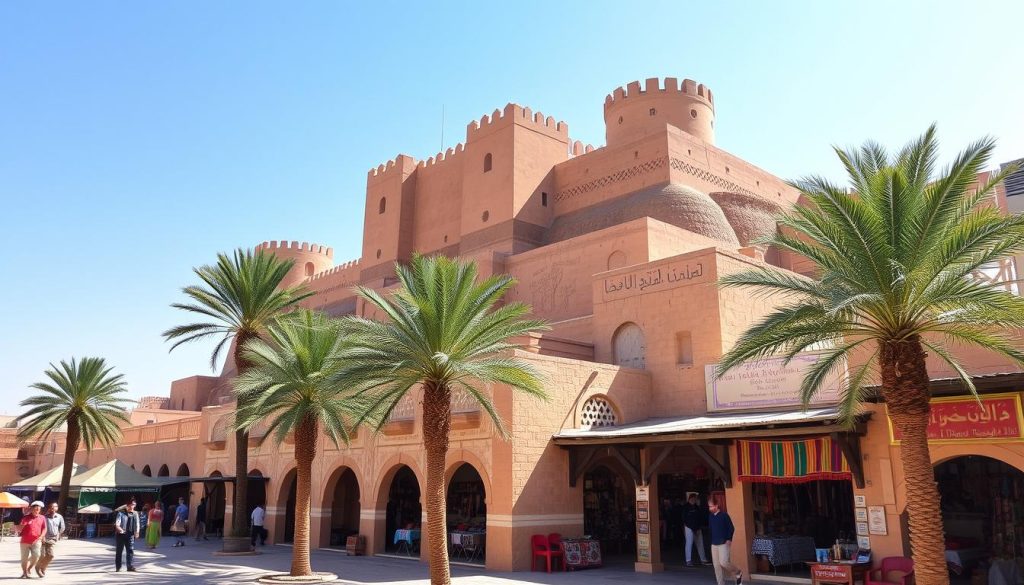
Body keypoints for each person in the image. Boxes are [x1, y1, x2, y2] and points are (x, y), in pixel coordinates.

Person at [708, 497, 742, 585]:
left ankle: (738, 572)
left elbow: (731, 528)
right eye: (709, 506)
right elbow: (711, 529)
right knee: (716, 566)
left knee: (724, 562)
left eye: (711, 506)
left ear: (716, 505)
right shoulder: (710, 517)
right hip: (714, 543)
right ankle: (720, 583)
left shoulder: (724, 515)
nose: (710, 508)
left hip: (723, 543)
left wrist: (729, 539)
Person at [35, 501, 65, 577]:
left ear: (57, 508)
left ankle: (42, 567)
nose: (53, 508)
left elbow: (62, 527)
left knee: (50, 555)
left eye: (55, 507)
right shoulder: (44, 517)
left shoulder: (59, 517)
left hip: (52, 539)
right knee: (42, 555)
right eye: (51, 507)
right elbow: (41, 528)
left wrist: (58, 534)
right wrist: (42, 537)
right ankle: (38, 568)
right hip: (43, 538)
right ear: (49, 508)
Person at [19, 501, 46, 579]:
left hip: (36, 541)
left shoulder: (42, 518)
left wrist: (41, 536)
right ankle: (25, 573)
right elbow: (20, 527)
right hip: (25, 541)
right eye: (35, 508)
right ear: (32, 509)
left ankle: (29, 568)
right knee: (24, 558)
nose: (37, 510)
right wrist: (21, 524)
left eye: (38, 508)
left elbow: (44, 528)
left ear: (40, 509)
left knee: (36, 556)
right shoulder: (26, 517)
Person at [683, 494, 710, 566]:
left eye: (695, 499)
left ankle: (703, 560)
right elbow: (684, 519)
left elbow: (700, 517)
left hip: (697, 528)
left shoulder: (697, 507)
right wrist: (690, 527)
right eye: (692, 499)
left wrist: (699, 527)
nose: (694, 500)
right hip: (689, 528)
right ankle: (688, 560)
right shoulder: (685, 507)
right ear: (689, 499)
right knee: (689, 543)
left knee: (700, 544)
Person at [114, 499, 140, 572]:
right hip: (120, 535)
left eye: (134, 505)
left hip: (130, 535)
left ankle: (129, 566)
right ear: (128, 505)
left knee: (130, 550)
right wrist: (119, 529)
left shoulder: (135, 513)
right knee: (119, 551)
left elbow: (137, 523)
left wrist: (137, 532)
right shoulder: (121, 513)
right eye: (132, 505)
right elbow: (117, 523)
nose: (133, 506)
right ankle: (118, 567)